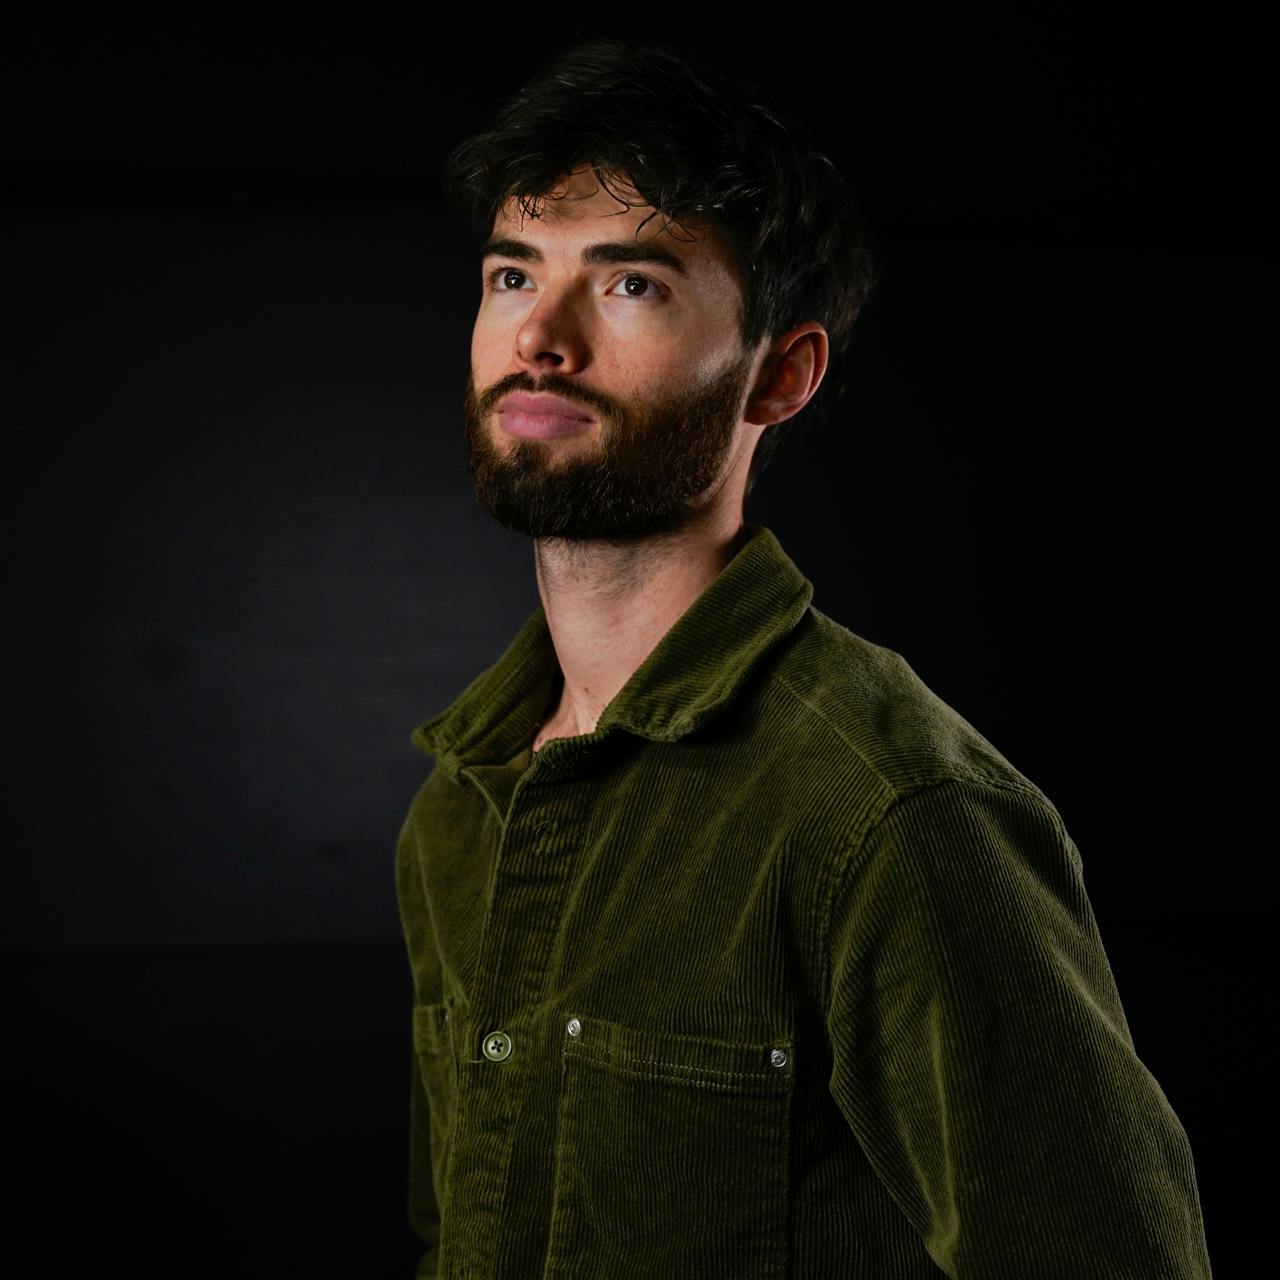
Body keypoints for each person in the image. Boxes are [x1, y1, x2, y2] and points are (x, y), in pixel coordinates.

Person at [394, 36, 1212, 1279]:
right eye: (513, 273)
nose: (540, 337)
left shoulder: (890, 813)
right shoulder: (462, 806)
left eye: (630, 285)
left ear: (778, 375)